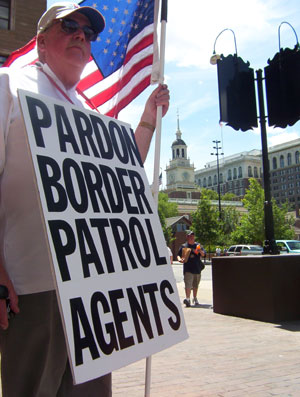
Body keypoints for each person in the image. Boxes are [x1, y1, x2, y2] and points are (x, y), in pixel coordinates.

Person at [0, 3, 170, 396]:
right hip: (31, 291)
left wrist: (147, 116)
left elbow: (119, 176)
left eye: (88, 32)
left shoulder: (89, 110)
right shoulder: (9, 84)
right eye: (70, 26)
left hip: (91, 293)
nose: (81, 35)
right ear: (41, 42)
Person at [177, 231, 205, 307]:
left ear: (194, 237)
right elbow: (178, 255)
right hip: (188, 268)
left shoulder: (198, 245)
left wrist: (200, 251)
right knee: (188, 284)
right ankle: (188, 299)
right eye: (189, 236)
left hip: (197, 268)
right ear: (187, 237)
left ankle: (195, 298)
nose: (191, 238)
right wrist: (180, 259)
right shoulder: (184, 246)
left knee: (195, 285)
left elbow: (203, 254)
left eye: (192, 236)